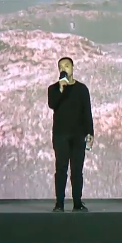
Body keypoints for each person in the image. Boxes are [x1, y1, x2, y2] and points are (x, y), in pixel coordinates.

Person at [47, 56, 94, 212]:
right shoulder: (53, 89)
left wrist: (90, 132)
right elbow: (52, 104)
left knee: (77, 171)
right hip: (60, 135)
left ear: (73, 68)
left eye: (66, 66)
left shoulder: (82, 89)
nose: (64, 69)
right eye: (61, 67)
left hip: (78, 135)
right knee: (61, 169)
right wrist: (61, 89)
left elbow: (87, 112)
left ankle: (77, 203)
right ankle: (59, 204)